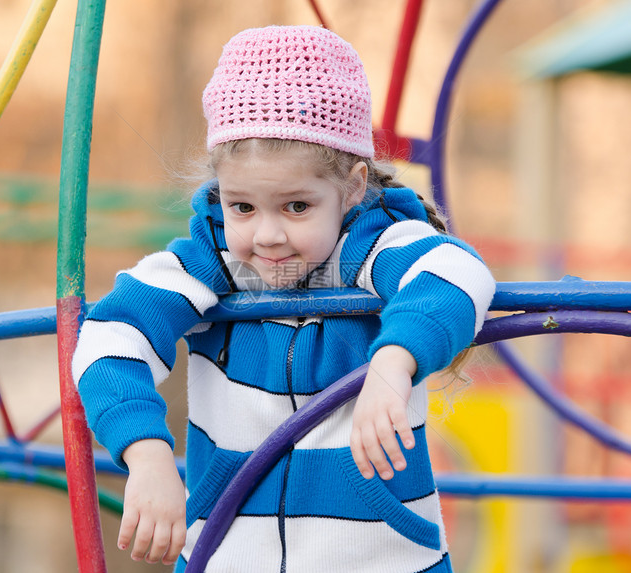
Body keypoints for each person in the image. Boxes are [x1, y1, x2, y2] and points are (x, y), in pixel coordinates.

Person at [73, 25, 495, 572]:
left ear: (351, 188)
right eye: (242, 206)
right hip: (228, 555)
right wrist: (147, 453)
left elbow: (456, 270)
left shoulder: (372, 248)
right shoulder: (213, 260)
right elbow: (109, 336)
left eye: (296, 206)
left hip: (382, 559)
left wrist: (393, 363)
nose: (267, 235)